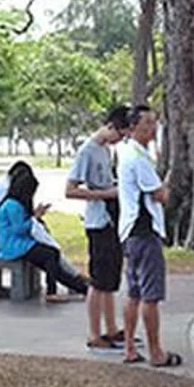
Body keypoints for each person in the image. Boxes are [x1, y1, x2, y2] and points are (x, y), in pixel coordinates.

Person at [116, 105, 179, 368]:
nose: (152, 129)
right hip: (144, 231)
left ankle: (130, 347)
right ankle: (155, 352)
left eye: (154, 123)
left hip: (129, 232)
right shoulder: (138, 159)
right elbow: (159, 194)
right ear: (133, 128)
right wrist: (166, 184)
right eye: (147, 124)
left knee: (134, 293)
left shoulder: (128, 154)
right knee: (150, 296)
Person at [66, 106, 129, 350]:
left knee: (110, 279)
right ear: (111, 126)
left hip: (110, 220)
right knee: (98, 280)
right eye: (120, 134)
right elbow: (70, 190)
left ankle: (111, 329)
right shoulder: (87, 151)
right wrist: (105, 194)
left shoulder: (105, 150)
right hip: (97, 221)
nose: (120, 140)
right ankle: (94, 334)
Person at [0, 161, 89, 302]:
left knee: (52, 258)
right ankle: (52, 291)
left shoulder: (14, 203)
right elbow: (19, 229)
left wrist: (34, 216)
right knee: (50, 255)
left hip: (22, 243)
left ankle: (81, 287)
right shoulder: (12, 205)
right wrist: (35, 217)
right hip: (14, 246)